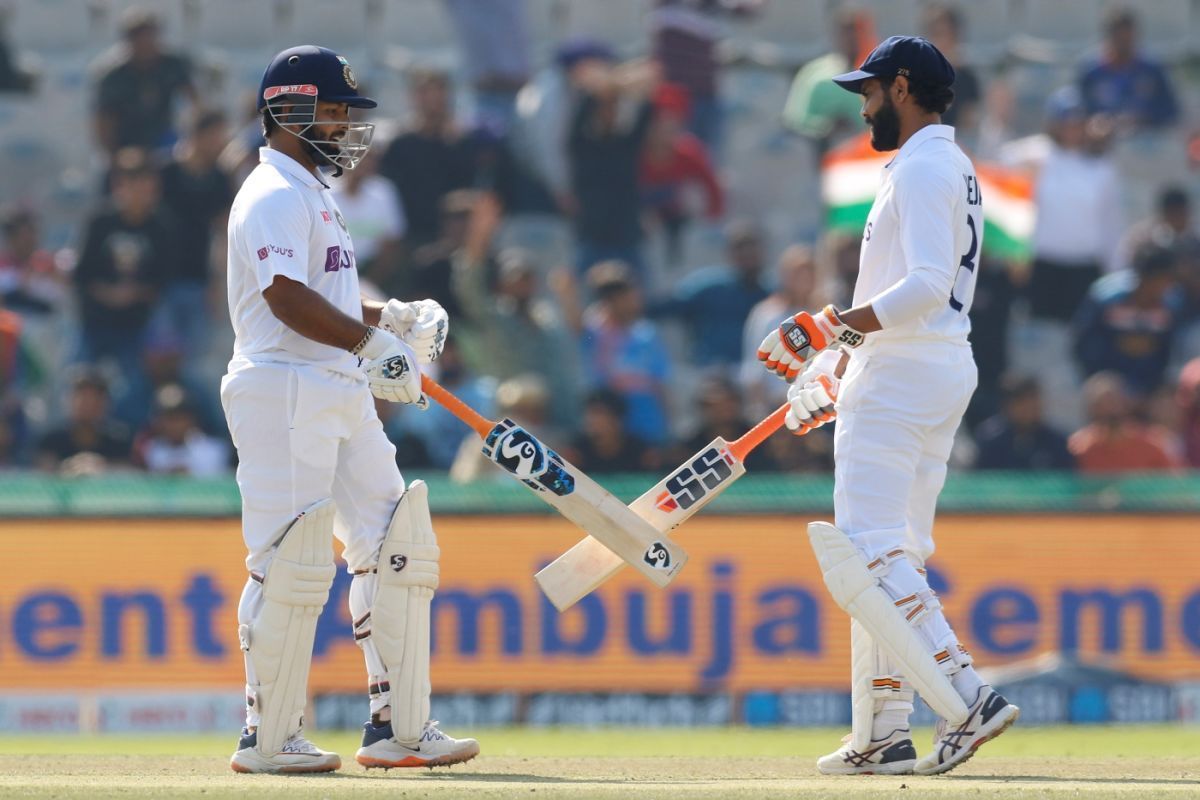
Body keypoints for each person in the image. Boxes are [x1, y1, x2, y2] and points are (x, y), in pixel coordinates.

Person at [756, 37, 1018, 776]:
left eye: (868, 92)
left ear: (902, 88)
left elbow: (926, 286)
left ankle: (968, 700)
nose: (863, 107)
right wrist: (835, 367)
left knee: (868, 555)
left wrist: (826, 326)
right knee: (893, 555)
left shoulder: (926, 166)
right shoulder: (942, 164)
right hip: (924, 369)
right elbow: (913, 290)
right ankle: (883, 730)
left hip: (906, 371)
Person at [220, 45, 477, 774]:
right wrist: (370, 343)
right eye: (332, 110)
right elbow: (282, 296)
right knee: (292, 560)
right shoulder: (270, 191)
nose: (344, 125)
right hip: (284, 385)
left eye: (346, 113)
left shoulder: (313, 193)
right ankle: (267, 738)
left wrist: (388, 319)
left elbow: (323, 297)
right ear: (288, 111)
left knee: (397, 544)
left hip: (336, 382)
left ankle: (398, 727)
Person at [73, 147, 176, 421]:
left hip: (135, 327)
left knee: (134, 393)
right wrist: (108, 294)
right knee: (76, 384)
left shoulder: (160, 226)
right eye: (134, 184)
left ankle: (125, 447)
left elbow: (164, 279)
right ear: (120, 185)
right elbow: (82, 275)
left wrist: (134, 294)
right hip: (94, 324)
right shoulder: (100, 222)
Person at [156, 109, 234, 364]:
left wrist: (217, 285)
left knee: (195, 362)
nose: (221, 143)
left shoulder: (220, 179)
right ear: (198, 135)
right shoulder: (164, 174)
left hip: (198, 283)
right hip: (159, 283)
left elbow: (223, 234)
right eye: (216, 136)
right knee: (160, 359)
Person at [649, 219, 767, 370]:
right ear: (730, 253)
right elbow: (665, 307)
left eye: (752, 248)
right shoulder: (708, 287)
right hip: (711, 371)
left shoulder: (773, 294)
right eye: (740, 248)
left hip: (754, 372)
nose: (747, 254)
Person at [1072, 241, 1183, 397]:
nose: (1167, 286)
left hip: (1151, 386)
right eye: (1163, 280)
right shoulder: (1105, 298)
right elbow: (1083, 344)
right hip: (1108, 381)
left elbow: (1171, 351)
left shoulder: (1171, 305)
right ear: (1146, 277)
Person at [91, 6, 195, 155]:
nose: (145, 43)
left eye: (150, 36)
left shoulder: (173, 65)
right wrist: (114, 156)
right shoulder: (113, 76)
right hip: (127, 145)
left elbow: (194, 101)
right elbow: (103, 122)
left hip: (165, 138)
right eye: (138, 37)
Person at [1077, 6, 1180, 134]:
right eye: (1120, 38)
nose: (1125, 44)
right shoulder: (1091, 71)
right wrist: (1098, 122)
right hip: (1103, 145)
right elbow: (1079, 113)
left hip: (1146, 141)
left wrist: (1144, 119)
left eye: (1128, 38)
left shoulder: (1152, 70)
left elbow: (1171, 110)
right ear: (1109, 37)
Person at [1068, 371, 1182, 472]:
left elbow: (1175, 487)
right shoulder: (1080, 448)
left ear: (1126, 404)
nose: (1109, 410)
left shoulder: (1153, 443)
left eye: (1113, 402)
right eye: (1101, 406)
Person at [34, 368, 132, 474]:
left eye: (94, 400)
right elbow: (43, 475)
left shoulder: (119, 440)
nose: (87, 406)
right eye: (82, 399)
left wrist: (103, 468)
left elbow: (126, 475)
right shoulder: (51, 440)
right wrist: (69, 468)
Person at [973, 374, 1073, 470]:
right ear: (1007, 405)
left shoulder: (1057, 442)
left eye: (1034, 400)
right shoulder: (990, 439)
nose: (1030, 407)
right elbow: (980, 479)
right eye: (1022, 401)